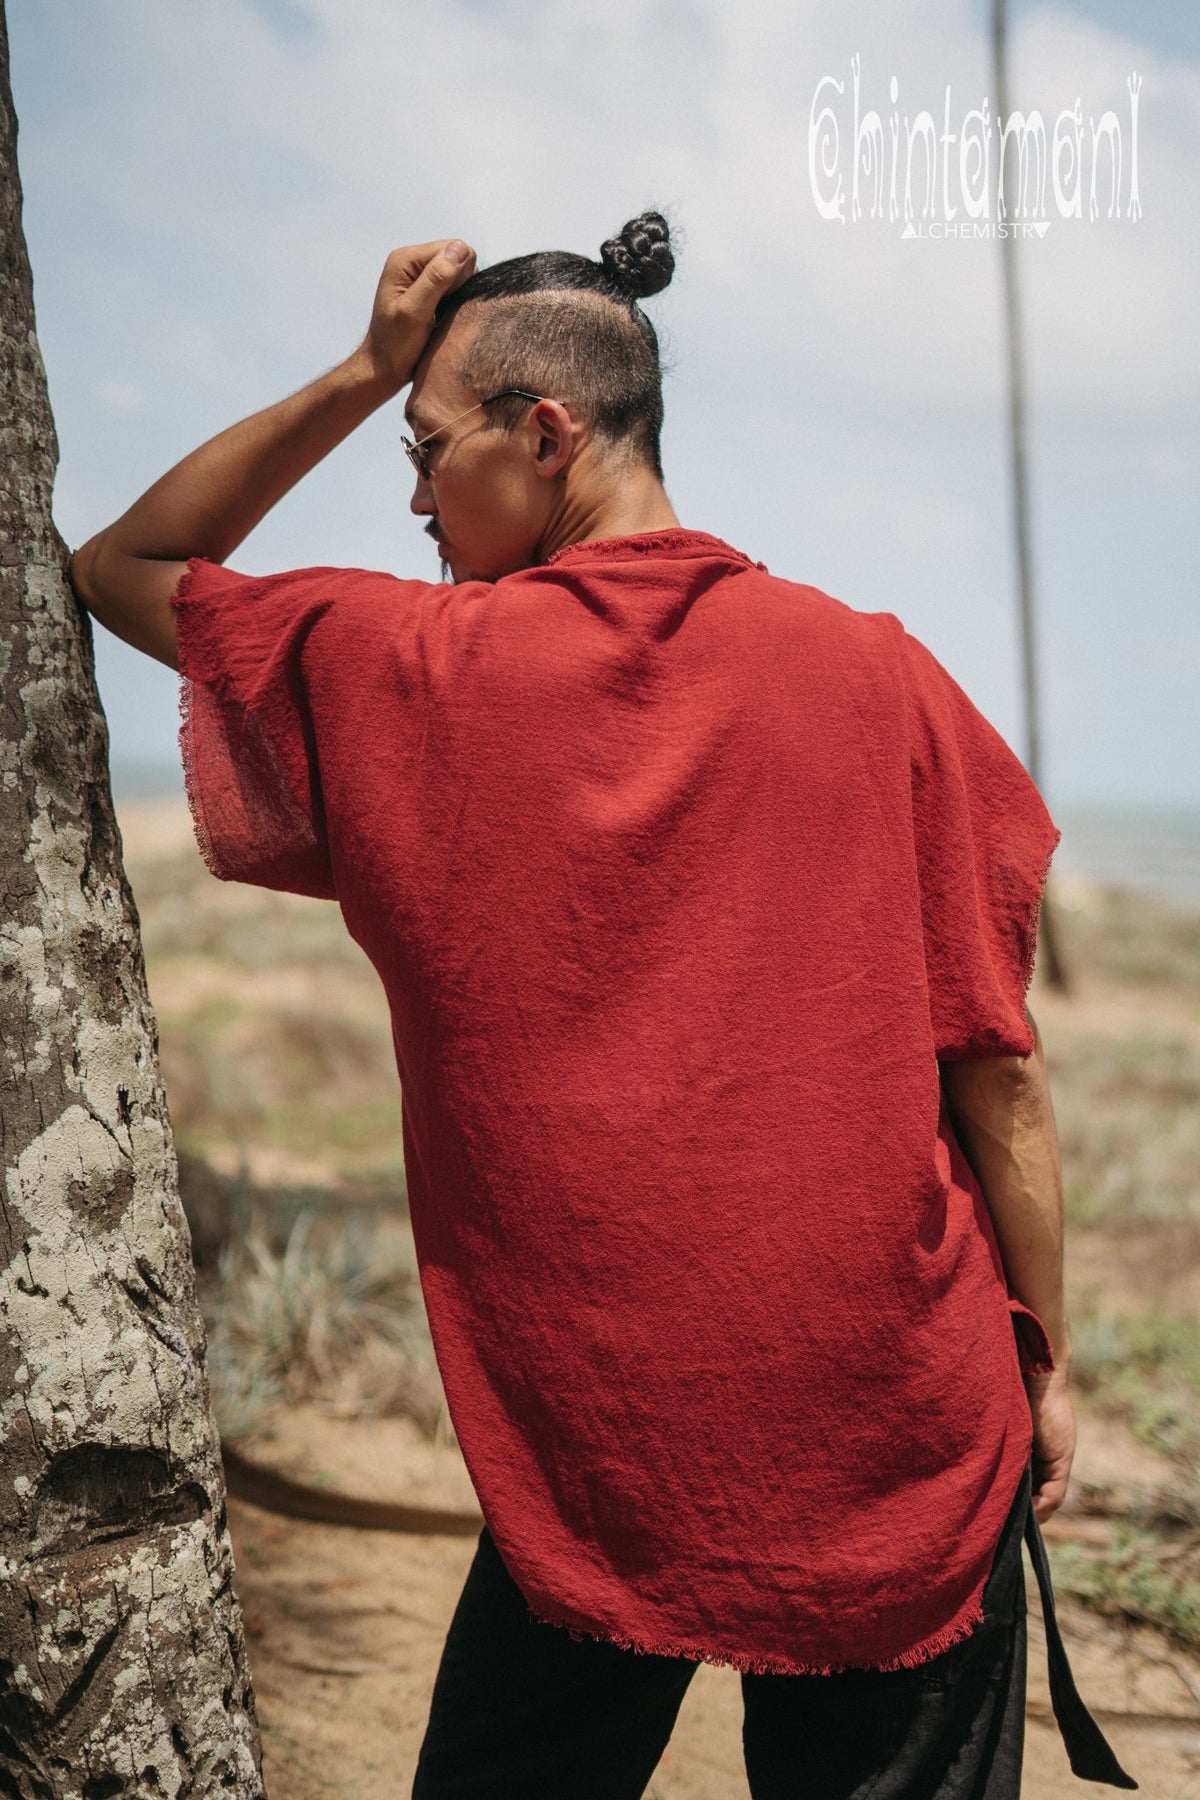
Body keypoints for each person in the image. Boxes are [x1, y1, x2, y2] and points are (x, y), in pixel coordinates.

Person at [70, 212, 1133, 1798]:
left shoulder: (407, 666)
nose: (415, 498)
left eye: (427, 450)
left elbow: (124, 567)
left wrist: (360, 366)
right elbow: (998, 1078)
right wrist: (1045, 1362)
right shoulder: (880, 672)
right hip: (902, 1423)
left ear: (546, 432)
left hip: (599, 1442)